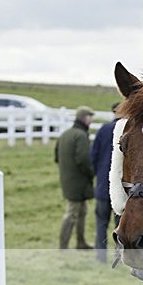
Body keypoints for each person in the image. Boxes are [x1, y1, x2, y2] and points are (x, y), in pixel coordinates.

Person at [55, 106, 95, 250]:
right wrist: (92, 172)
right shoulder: (81, 135)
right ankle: (63, 246)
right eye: (90, 116)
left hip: (68, 179)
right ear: (85, 118)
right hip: (79, 181)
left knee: (82, 211)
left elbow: (56, 157)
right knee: (72, 213)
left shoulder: (65, 134)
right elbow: (83, 159)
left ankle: (81, 242)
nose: (91, 119)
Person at [90, 102, 119, 263]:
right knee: (120, 225)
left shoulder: (104, 130)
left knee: (101, 223)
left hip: (102, 186)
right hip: (121, 189)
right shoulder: (130, 128)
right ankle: (119, 257)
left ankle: (100, 257)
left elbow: (93, 156)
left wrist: (98, 175)